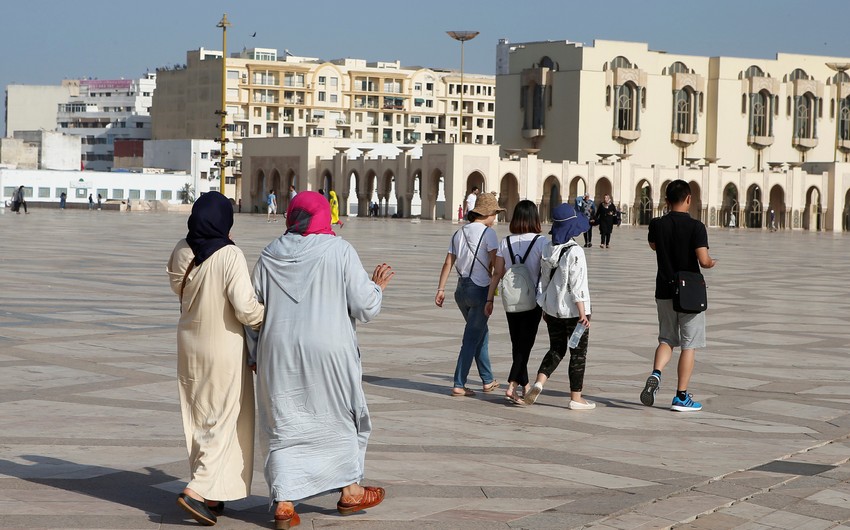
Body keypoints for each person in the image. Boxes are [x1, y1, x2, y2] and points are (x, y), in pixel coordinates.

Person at [249, 191, 393, 529]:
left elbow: (252, 311)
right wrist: (377, 287)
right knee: (338, 416)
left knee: (284, 420)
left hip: (278, 353)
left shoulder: (269, 255)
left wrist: (254, 354)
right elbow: (364, 306)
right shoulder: (339, 250)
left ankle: (285, 503)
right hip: (330, 350)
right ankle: (350, 492)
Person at [166, 191, 265, 526]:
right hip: (222, 347)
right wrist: (271, 317)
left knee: (199, 418)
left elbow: (176, 286)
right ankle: (196, 491)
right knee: (223, 417)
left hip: (189, 344)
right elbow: (246, 308)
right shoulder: (229, 254)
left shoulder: (182, 248)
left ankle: (212, 494)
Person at [640, 179, 717, 412]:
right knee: (688, 345)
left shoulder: (657, 224)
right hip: (689, 293)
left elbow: (654, 246)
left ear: (666, 200)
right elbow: (703, 260)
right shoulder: (696, 227)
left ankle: (656, 373)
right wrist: (712, 262)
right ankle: (681, 396)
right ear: (689, 199)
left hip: (664, 289)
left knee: (666, 339)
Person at [524, 203, 595, 410]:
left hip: (553, 309)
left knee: (556, 349)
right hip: (574, 312)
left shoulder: (548, 248)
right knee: (578, 354)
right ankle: (576, 398)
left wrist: (545, 307)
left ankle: (539, 382)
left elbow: (544, 281)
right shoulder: (575, 251)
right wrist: (583, 313)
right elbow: (578, 285)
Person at [435, 192, 503, 397]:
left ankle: (487, 380)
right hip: (480, 290)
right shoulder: (489, 234)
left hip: (461, 291)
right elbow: (495, 265)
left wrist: (440, 289)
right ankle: (459, 383)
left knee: (480, 333)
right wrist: (492, 293)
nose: (495, 218)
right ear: (488, 213)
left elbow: (448, 262)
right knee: (471, 338)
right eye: (495, 214)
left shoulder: (459, 233)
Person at [485, 200, 548, 404]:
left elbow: (497, 273)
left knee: (518, 342)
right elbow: (546, 274)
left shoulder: (505, 242)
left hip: (511, 299)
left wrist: (489, 298)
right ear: (534, 218)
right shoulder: (541, 242)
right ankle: (512, 385)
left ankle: (525, 385)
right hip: (533, 300)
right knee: (525, 344)